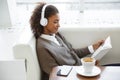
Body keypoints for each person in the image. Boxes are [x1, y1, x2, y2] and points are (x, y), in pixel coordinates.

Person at [30, 3, 104, 80]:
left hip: (80, 70)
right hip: (74, 76)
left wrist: (93, 48)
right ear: (43, 22)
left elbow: (72, 52)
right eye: (55, 22)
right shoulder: (42, 47)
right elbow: (55, 74)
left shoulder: (56, 35)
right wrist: (86, 71)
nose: (59, 25)